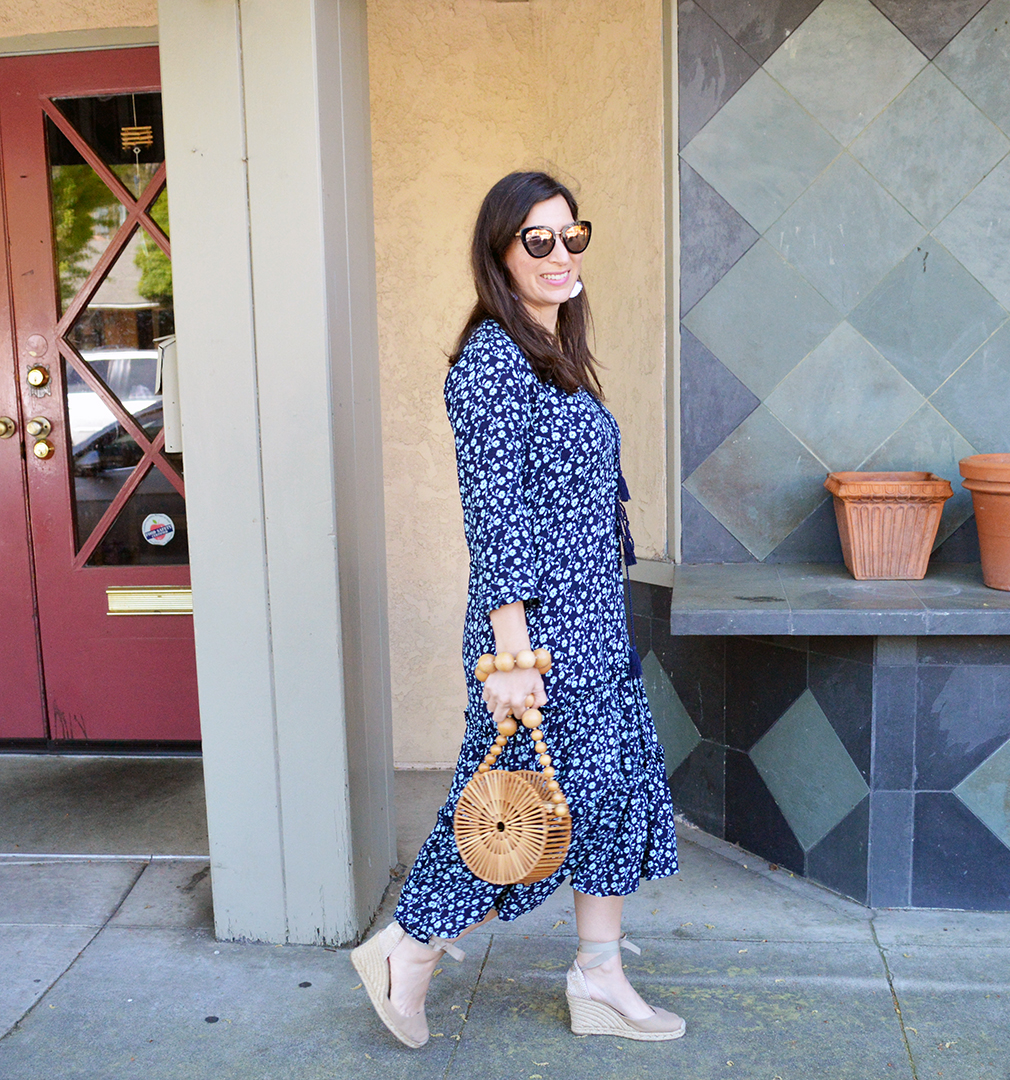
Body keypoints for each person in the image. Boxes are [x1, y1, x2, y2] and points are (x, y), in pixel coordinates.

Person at [351, 171, 683, 1046]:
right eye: (537, 240)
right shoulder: (493, 360)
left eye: (572, 236)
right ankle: (408, 950)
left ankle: (601, 976)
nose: (561, 254)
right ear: (499, 253)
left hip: (592, 619)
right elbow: (495, 513)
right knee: (512, 805)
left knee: (608, 795)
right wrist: (512, 656)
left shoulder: (552, 350)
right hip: (535, 632)